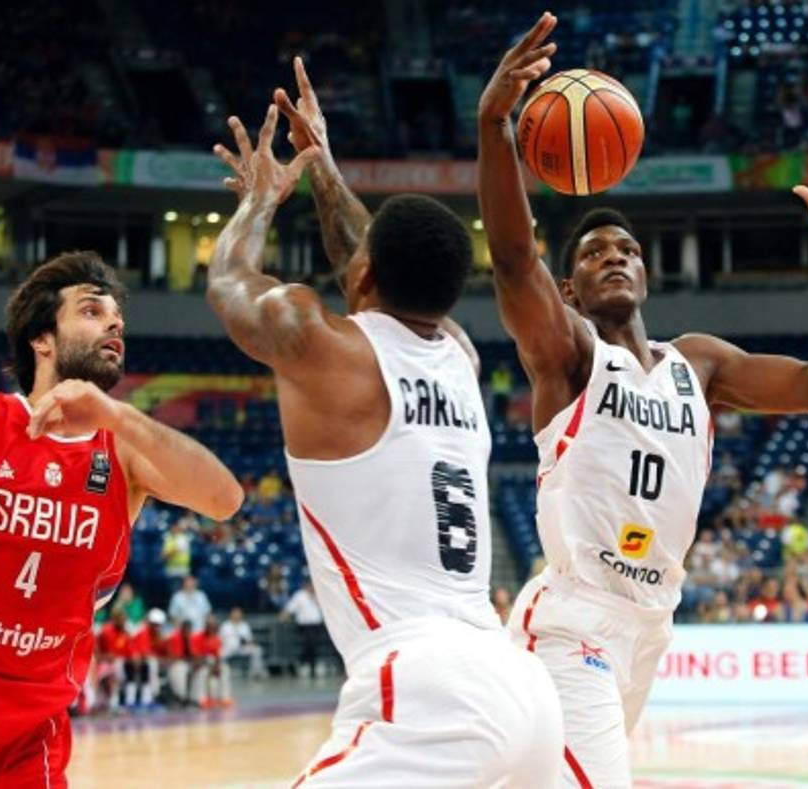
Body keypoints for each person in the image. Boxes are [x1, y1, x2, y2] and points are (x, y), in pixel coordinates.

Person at [477, 13, 808, 785]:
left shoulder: (696, 364)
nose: (615, 258)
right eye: (595, 253)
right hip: (574, 618)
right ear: (569, 288)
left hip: (649, 621)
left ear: (646, 273)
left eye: (626, 249)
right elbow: (510, 258)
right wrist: (495, 124)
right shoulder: (568, 354)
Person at [205, 58, 561, 786]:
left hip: (425, 686)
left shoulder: (322, 344)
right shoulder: (459, 354)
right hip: (520, 689)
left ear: (363, 276)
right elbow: (373, 261)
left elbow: (229, 283)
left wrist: (264, 198)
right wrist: (323, 163)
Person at [0, 252, 242, 786]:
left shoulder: (123, 453)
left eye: (118, 318)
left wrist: (117, 413)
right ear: (43, 339)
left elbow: (224, 499)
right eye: (91, 311)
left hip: (32, 734)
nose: (114, 323)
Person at [280, 578, 327, 678]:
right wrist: (285, 614)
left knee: (313, 644)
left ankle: (306, 662)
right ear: (305, 585)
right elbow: (291, 607)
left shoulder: (319, 594)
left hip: (317, 624)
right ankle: (310, 665)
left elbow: (325, 608)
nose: (311, 587)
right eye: (309, 585)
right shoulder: (299, 595)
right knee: (311, 642)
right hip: (304, 625)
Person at [219, 606, 267, 680]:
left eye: (238, 613)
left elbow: (249, 639)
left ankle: (255, 673)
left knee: (257, 650)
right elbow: (220, 639)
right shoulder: (225, 625)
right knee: (218, 654)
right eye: (235, 613)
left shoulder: (244, 625)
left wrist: (251, 642)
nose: (237, 615)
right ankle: (220, 673)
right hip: (228, 648)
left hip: (242, 648)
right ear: (231, 614)